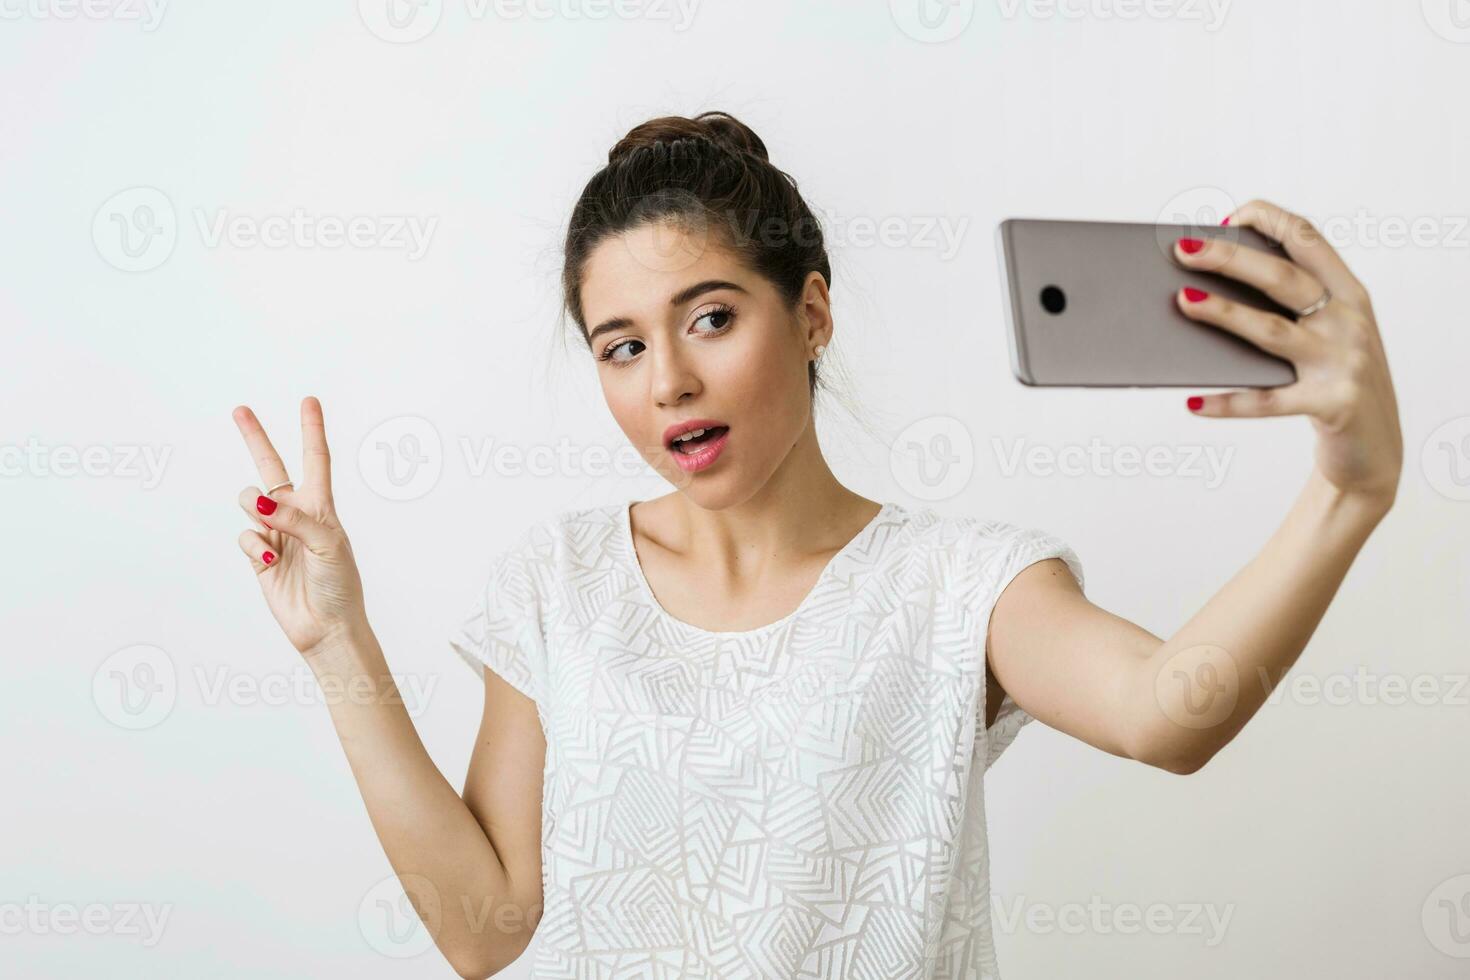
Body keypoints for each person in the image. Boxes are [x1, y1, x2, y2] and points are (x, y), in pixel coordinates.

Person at [230, 111, 1402, 978]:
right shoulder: (561, 582)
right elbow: (483, 927)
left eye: (712, 316)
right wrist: (337, 638)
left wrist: (1349, 491)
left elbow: (1168, 711)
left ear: (814, 313)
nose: (671, 380)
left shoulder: (959, 585)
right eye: (620, 345)